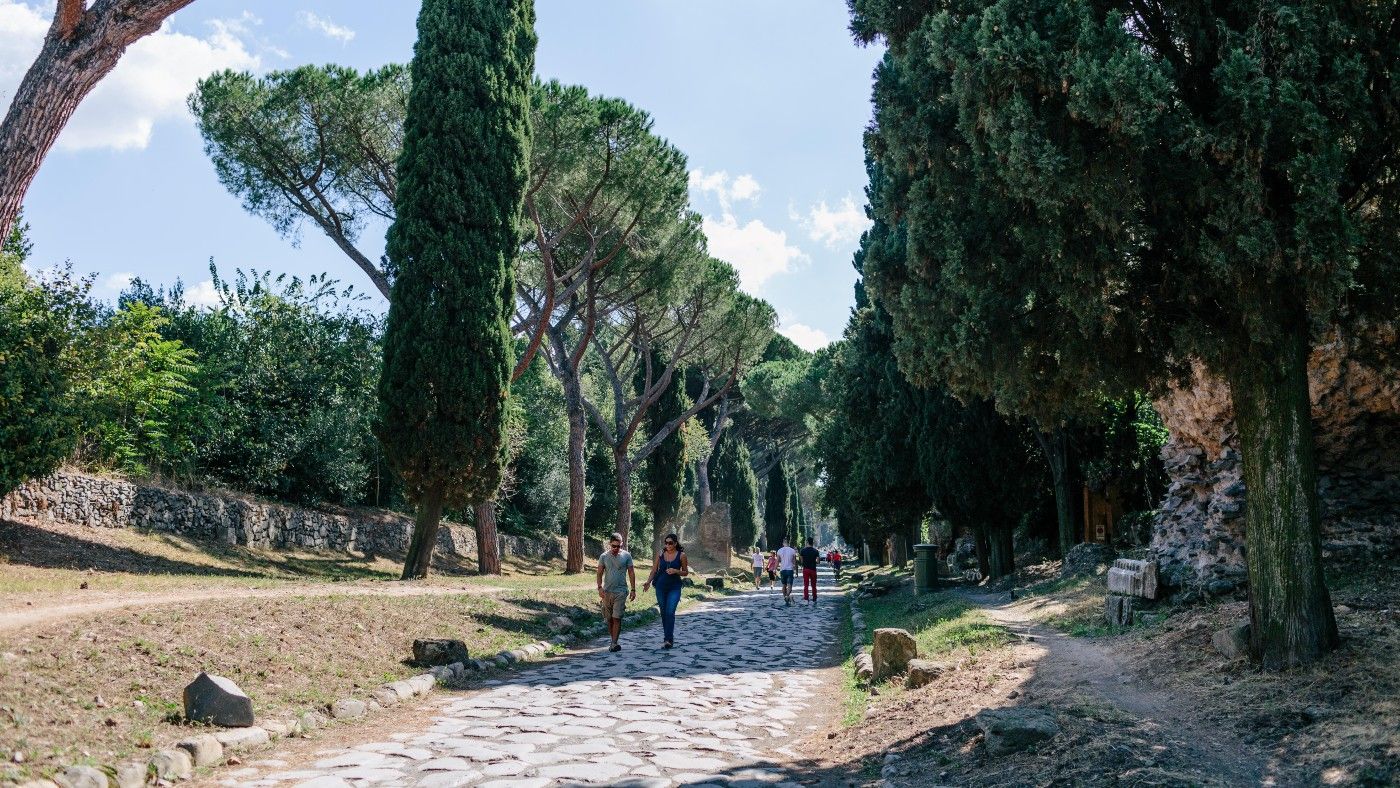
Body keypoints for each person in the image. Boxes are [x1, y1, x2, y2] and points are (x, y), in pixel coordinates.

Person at [642, 533, 689, 648]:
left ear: (675, 543)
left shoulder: (681, 555)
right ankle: (667, 638)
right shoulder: (661, 554)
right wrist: (648, 582)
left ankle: (668, 640)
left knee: (670, 612)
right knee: (663, 613)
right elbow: (654, 570)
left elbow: (685, 572)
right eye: (666, 543)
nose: (668, 545)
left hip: (675, 587)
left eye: (670, 543)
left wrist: (675, 571)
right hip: (660, 587)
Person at [594, 532, 636, 652]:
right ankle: (613, 641)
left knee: (617, 617)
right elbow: (599, 573)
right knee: (609, 619)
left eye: (619, 546)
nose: (616, 549)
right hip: (607, 591)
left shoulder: (627, 556)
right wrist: (599, 587)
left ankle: (614, 642)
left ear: (622, 544)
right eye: (614, 546)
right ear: (609, 544)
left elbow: (631, 573)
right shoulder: (603, 556)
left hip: (621, 591)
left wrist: (633, 589)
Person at [776, 538, 799, 605]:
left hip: (782, 569)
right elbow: (794, 562)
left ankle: (786, 597)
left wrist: (774, 569)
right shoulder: (792, 551)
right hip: (790, 570)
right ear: (789, 543)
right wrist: (796, 571)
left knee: (784, 585)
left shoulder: (779, 550)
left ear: (783, 543)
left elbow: (777, 561)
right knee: (789, 586)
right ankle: (787, 596)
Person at [800, 537, 821, 601]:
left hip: (805, 569)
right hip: (813, 569)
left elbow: (801, 561)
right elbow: (818, 561)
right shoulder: (816, 551)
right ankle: (814, 597)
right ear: (813, 542)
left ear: (807, 542)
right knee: (813, 585)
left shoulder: (803, 551)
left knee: (806, 585)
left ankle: (806, 597)